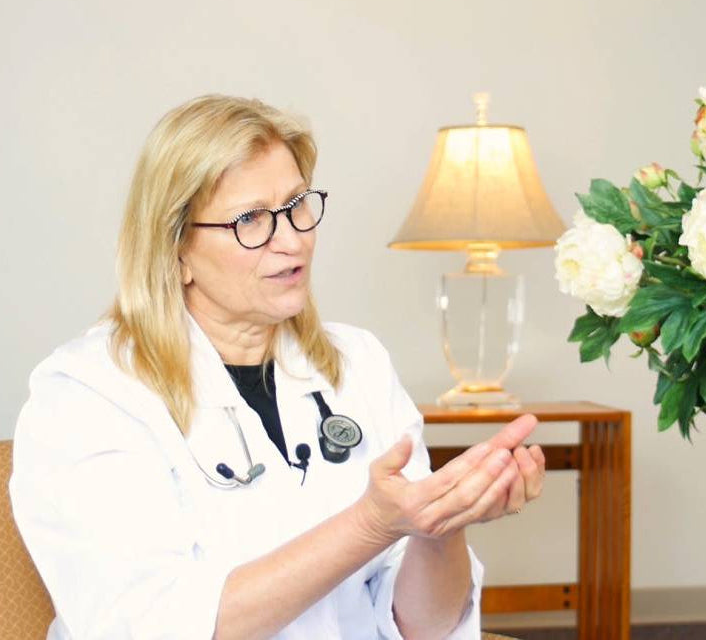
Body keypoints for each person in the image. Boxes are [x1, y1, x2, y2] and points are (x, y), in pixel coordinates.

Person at [9, 95, 546, 640]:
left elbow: (421, 628)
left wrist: (438, 526)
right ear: (176, 250)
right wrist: (371, 524)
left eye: (296, 206)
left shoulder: (357, 365)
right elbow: (149, 626)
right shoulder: (88, 394)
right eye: (251, 220)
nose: (292, 240)